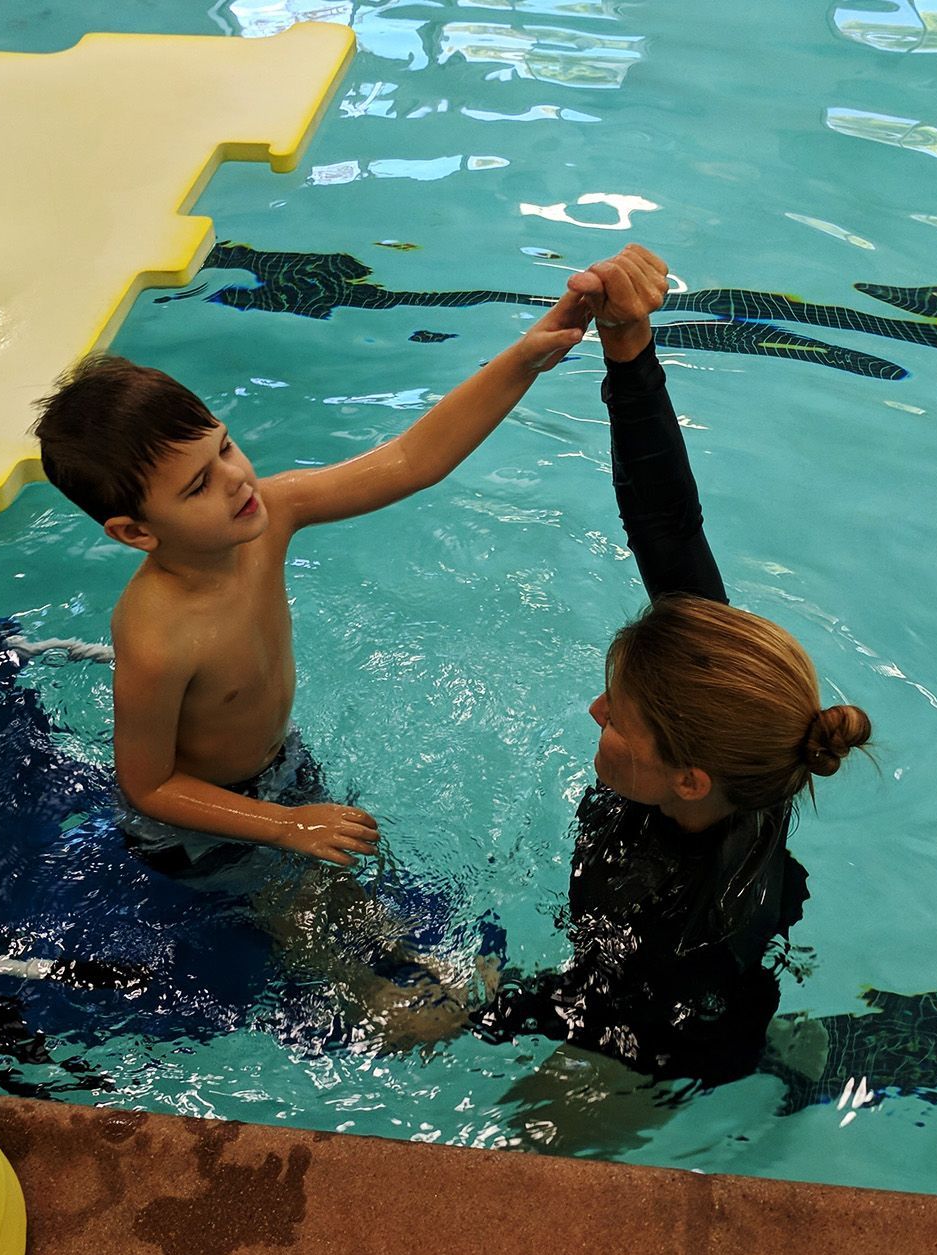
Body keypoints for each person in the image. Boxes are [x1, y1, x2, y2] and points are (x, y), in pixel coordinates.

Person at [470, 244, 873, 1085]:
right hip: (667, 970)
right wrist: (628, 342)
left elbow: (602, 1012)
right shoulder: (724, 725)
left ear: (688, 778)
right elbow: (667, 522)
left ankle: (773, 1066)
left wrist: (481, 1004)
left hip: (674, 1044)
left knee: (527, 1145)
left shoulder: (684, 927)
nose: (595, 713)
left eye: (618, 713)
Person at [32, 313, 585, 881]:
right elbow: (148, 785)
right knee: (318, 939)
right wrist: (282, 826)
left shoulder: (273, 515)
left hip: (279, 767)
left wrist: (523, 360)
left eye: (224, 448)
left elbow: (412, 461)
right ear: (136, 533)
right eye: (198, 485)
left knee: (360, 896)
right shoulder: (157, 636)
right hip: (196, 823)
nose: (236, 479)